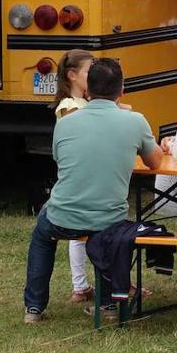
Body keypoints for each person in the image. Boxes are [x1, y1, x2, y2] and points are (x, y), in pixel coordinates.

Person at [23, 58, 163, 322]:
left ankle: (34, 307)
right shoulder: (135, 121)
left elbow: (61, 159)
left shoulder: (65, 123)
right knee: (109, 235)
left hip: (62, 215)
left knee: (42, 236)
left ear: (88, 91)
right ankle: (109, 303)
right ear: (122, 90)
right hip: (108, 219)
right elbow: (155, 162)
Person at [52, 50, 98, 303]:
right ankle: (81, 285)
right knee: (83, 234)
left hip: (87, 177)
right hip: (80, 179)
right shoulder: (69, 107)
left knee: (82, 235)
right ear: (72, 75)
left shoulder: (84, 104)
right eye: (89, 72)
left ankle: (81, 286)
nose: (93, 77)